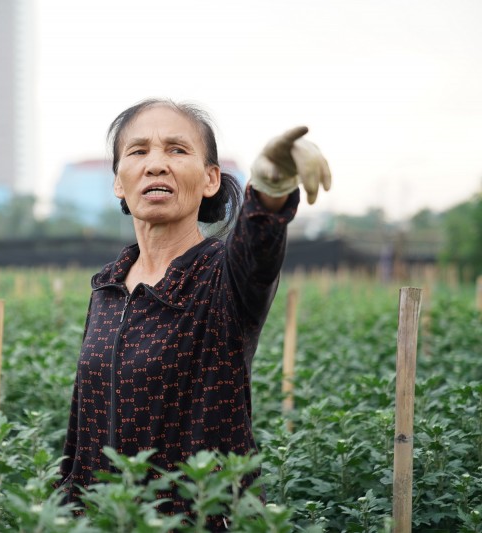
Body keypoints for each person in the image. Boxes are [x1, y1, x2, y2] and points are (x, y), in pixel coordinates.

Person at [56, 98, 331, 528]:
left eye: (177, 150)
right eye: (139, 150)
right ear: (117, 182)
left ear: (210, 179)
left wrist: (271, 187)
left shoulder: (222, 279)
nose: (156, 164)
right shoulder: (108, 287)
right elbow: (82, 433)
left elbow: (257, 249)